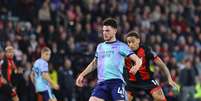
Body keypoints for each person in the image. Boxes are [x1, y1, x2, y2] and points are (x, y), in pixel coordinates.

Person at [76, 18, 142, 101]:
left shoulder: (121, 46)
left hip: (116, 82)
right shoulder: (100, 46)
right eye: (103, 31)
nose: (104, 33)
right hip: (102, 83)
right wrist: (82, 74)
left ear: (115, 31)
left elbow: (138, 60)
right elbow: (94, 63)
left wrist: (136, 66)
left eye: (107, 31)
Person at [124, 31, 178, 101]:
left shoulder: (146, 50)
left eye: (133, 41)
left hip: (147, 81)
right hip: (131, 83)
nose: (131, 45)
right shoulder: (124, 52)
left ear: (138, 40)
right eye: (128, 42)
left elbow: (162, 65)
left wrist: (169, 78)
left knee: (160, 98)